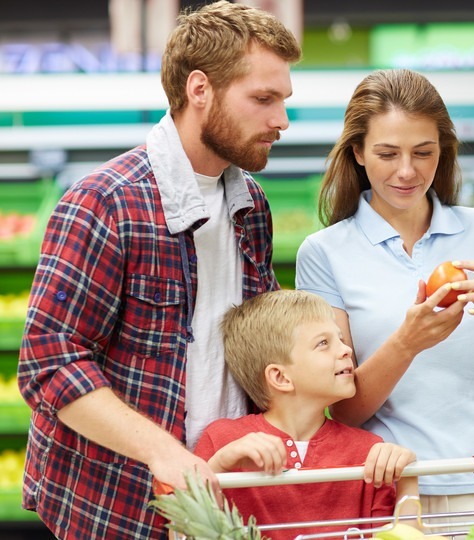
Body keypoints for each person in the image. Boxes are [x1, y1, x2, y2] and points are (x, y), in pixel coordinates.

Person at [16, 2, 301, 538]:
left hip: (224, 501)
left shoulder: (251, 206)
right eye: (263, 99)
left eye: (283, 100)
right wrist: (165, 454)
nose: (280, 120)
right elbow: (50, 364)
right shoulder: (105, 203)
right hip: (116, 506)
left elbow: (254, 347)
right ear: (200, 90)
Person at [295, 68, 474, 521]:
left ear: (443, 152)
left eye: (423, 152)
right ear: (357, 152)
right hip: (390, 499)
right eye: (388, 153)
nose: (407, 171)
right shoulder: (324, 253)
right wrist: (408, 342)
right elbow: (344, 412)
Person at [193, 289, 418, 540]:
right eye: (323, 343)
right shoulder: (223, 440)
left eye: (341, 340)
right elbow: (188, 528)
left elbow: (397, 534)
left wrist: (407, 476)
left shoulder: (369, 451)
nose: (345, 350)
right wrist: (220, 464)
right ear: (280, 377)